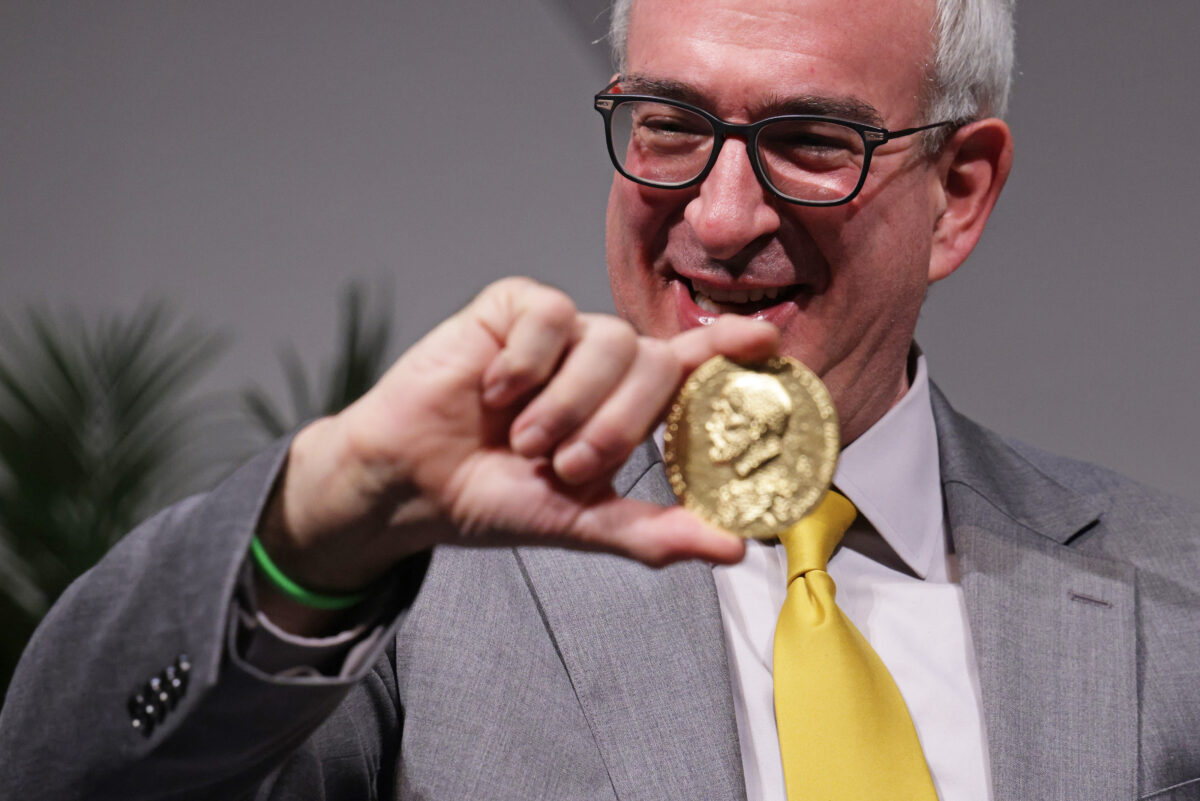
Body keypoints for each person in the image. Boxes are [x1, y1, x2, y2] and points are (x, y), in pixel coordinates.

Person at [2, 0, 1197, 798]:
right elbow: (65, 772)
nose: (722, 218)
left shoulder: (1171, 590)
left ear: (961, 192)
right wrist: (316, 522)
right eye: (671, 126)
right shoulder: (400, 580)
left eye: (811, 139)